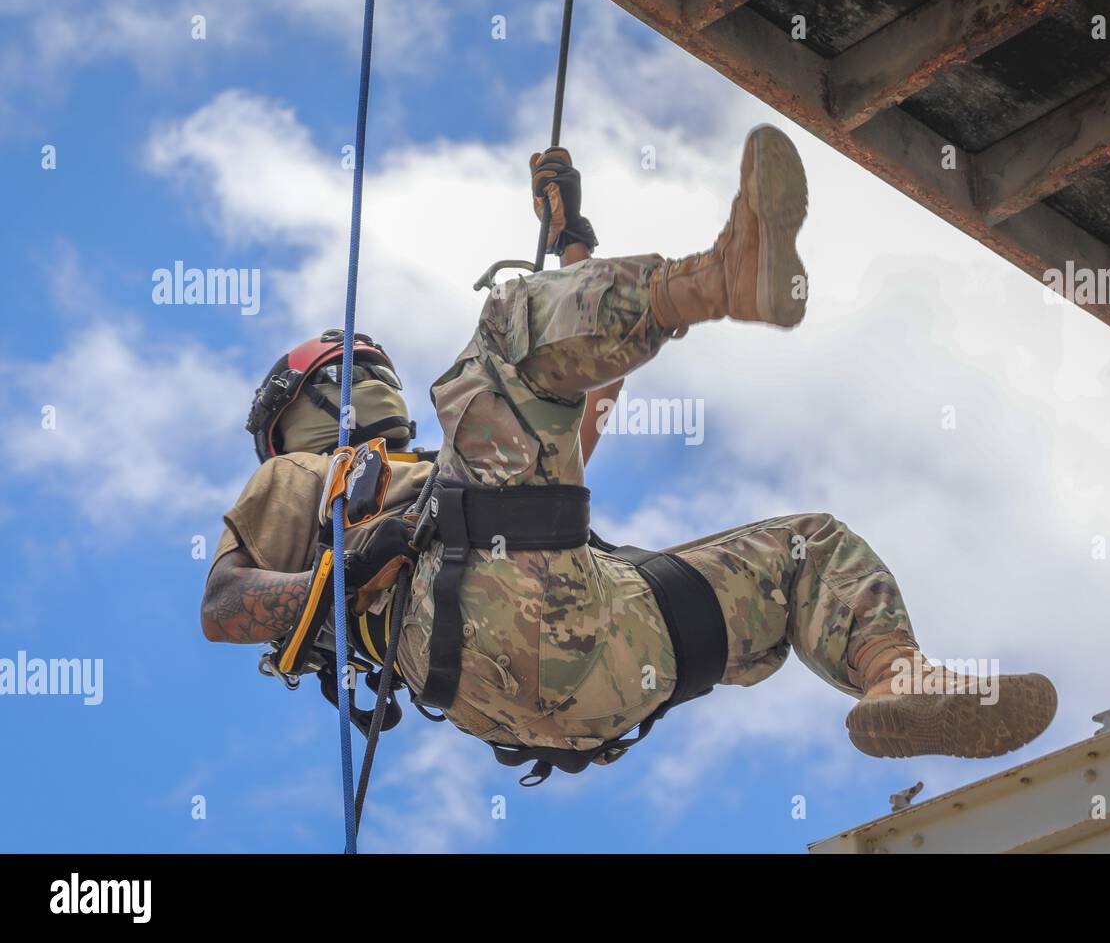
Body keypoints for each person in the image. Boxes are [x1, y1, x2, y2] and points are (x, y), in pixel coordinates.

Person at [202, 125, 1057, 774]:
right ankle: (724, 274)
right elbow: (222, 606)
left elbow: (572, 412)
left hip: (579, 635)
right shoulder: (302, 477)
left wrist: (572, 247)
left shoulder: (445, 480)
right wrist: (350, 568)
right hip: (469, 619)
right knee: (505, 327)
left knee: (807, 548)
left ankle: (897, 679)